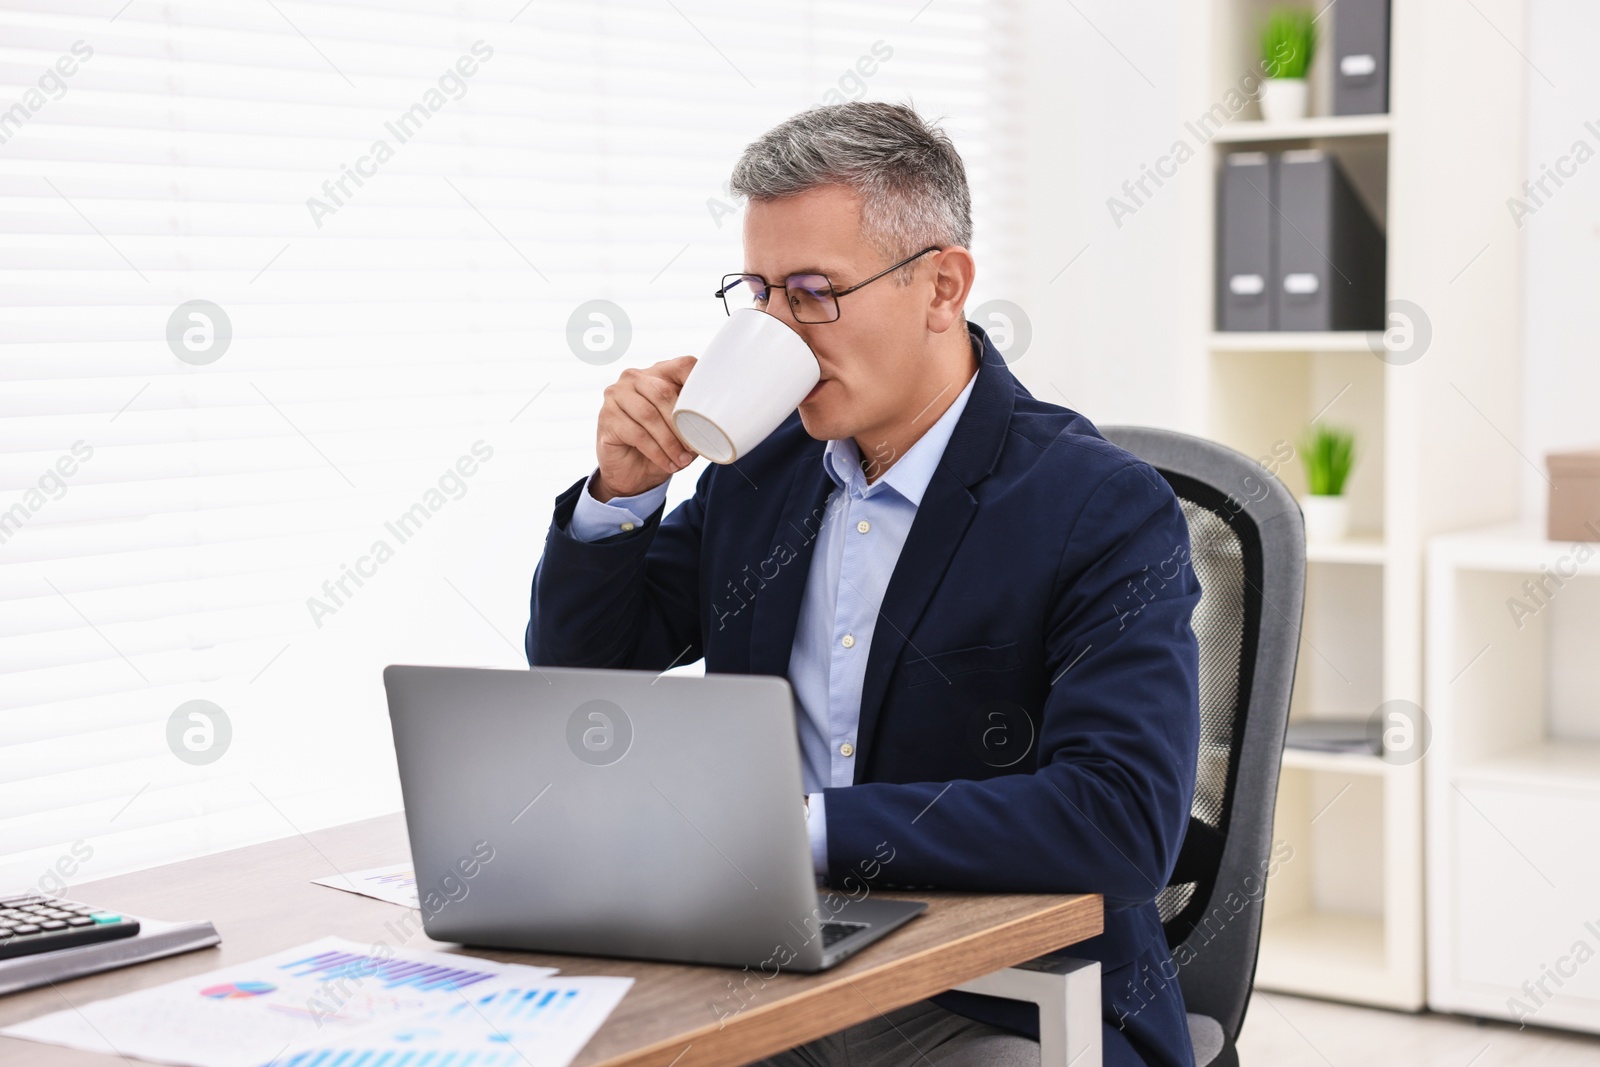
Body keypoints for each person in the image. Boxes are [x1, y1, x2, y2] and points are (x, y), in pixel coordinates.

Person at [527, 101, 1201, 1067]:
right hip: (770, 970)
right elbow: (587, 672)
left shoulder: (1099, 507)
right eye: (758, 293)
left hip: (1003, 997)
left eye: (812, 291)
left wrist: (794, 829)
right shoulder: (761, 470)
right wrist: (620, 500)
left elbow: (1120, 819)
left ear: (942, 285)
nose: (778, 331)